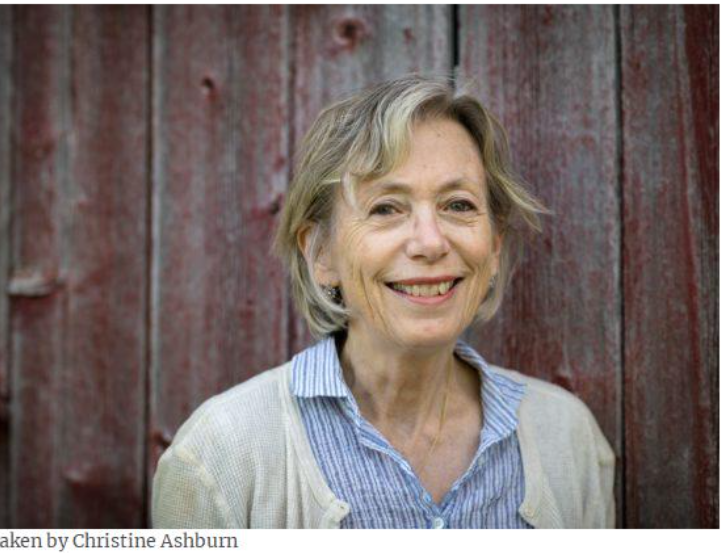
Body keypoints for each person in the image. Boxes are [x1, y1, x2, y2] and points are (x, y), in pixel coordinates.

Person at [152, 75, 615, 529]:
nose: (430, 243)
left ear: (493, 247)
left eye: (458, 205)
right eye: (386, 208)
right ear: (321, 254)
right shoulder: (222, 455)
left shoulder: (567, 440)